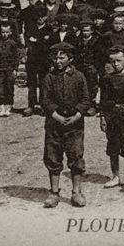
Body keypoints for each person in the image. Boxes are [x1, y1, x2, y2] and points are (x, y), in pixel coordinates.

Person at [41, 42, 91, 209]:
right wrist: (56, 116)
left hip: (74, 126)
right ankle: (54, 192)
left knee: (76, 156)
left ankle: (76, 192)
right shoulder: (49, 77)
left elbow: (85, 100)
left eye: (62, 58)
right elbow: (45, 100)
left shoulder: (79, 77)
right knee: (53, 156)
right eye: (55, 57)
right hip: (54, 125)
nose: (58, 61)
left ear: (70, 58)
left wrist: (77, 115)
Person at [99, 46, 124, 193]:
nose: (115, 64)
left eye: (118, 61)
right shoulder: (106, 79)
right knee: (113, 146)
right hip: (111, 116)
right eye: (112, 61)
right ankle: (115, 176)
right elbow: (103, 100)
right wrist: (103, 117)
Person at [0, 21, 19, 117]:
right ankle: (1, 106)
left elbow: (16, 57)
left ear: (10, 32)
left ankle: (8, 105)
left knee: (9, 86)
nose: (5, 34)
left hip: (9, 69)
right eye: (3, 32)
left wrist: (15, 69)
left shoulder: (13, 43)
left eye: (7, 32)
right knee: (0, 87)